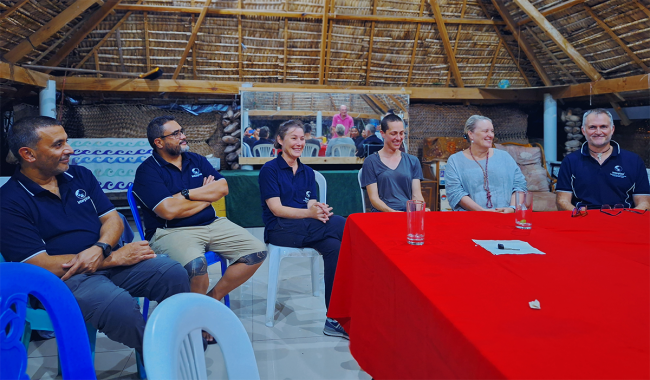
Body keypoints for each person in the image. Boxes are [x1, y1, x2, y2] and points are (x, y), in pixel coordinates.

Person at [0, 116, 190, 355]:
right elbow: (38, 265)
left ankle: (180, 338)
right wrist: (113, 258)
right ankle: (162, 356)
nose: (69, 150)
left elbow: (112, 219)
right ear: (28, 154)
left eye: (66, 141)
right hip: (62, 279)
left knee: (172, 273)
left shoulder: (79, 176)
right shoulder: (9, 202)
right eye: (58, 145)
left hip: (102, 260)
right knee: (119, 306)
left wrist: (101, 248)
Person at [133, 116, 267, 342]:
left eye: (181, 131)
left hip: (212, 224)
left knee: (256, 252)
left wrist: (186, 195)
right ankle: (196, 323)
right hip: (171, 232)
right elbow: (168, 211)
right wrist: (206, 196)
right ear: (158, 142)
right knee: (197, 266)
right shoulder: (147, 171)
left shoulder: (195, 159)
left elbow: (222, 187)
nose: (183, 136)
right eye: (175, 134)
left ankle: (209, 301)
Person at [258, 119, 348, 339]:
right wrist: (311, 214)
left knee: (334, 247)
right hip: (280, 229)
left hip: (306, 227)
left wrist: (318, 208)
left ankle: (334, 319)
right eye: (293, 138)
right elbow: (277, 209)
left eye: (301, 138)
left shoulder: (307, 172)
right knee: (342, 225)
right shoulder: (269, 170)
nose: (299, 143)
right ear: (280, 140)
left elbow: (309, 201)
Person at [556, 108, 650, 211]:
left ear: (612, 129)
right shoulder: (570, 161)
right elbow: (562, 201)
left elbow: (644, 203)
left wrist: (630, 218)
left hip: (622, 220)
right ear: (583, 130)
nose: (598, 132)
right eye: (592, 127)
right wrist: (578, 214)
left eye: (603, 127)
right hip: (583, 220)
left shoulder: (634, 161)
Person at [445, 115, 527, 212]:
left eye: (492, 131)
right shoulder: (455, 161)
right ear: (471, 134)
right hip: (471, 219)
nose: (491, 135)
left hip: (506, 216)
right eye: (485, 131)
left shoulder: (504, 157)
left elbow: (520, 185)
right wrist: (483, 212)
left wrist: (512, 208)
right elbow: (456, 193)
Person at [360, 113, 425, 212]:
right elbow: (374, 199)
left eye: (401, 133)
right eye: (393, 134)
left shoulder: (413, 161)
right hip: (383, 215)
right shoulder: (371, 161)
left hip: (407, 214)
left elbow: (417, 195)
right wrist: (394, 213)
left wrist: (420, 211)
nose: (398, 138)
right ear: (382, 133)